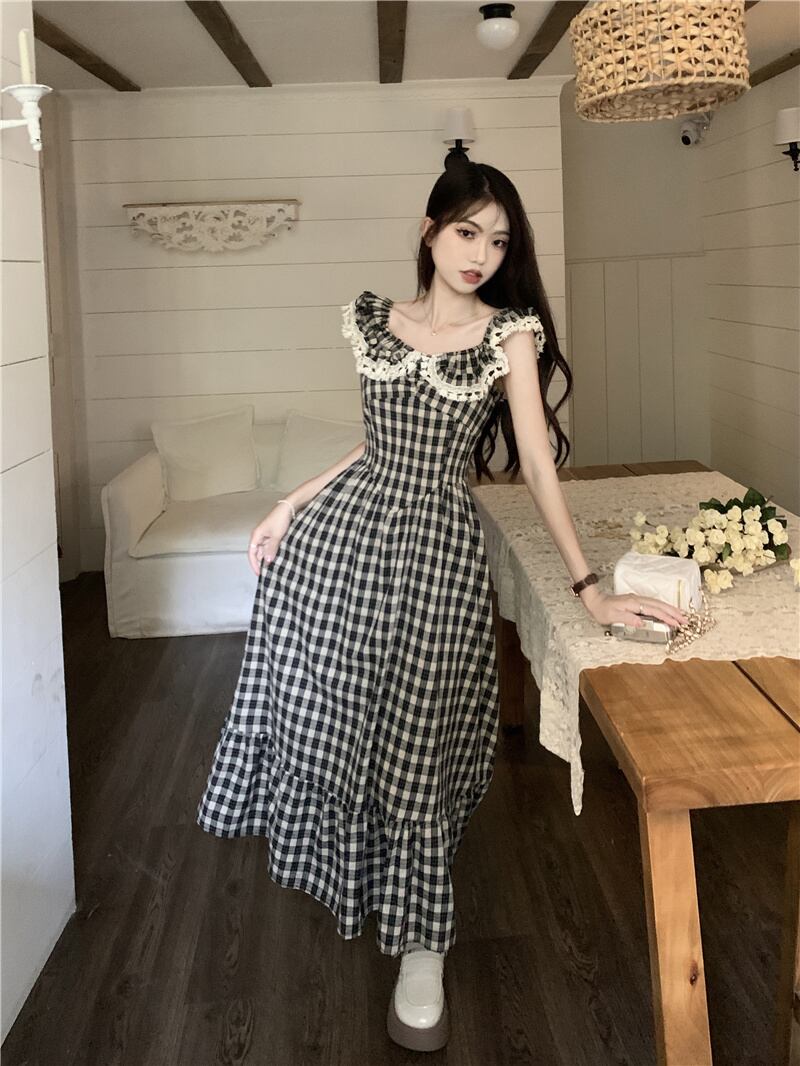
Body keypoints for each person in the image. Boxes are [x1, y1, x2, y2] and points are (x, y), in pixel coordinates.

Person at [196, 155, 687, 1053]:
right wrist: (289, 503)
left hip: (435, 552)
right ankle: (358, 877)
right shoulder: (375, 320)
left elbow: (535, 464)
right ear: (430, 232)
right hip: (343, 545)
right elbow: (375, 443)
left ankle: (422, 944)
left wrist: (591, 587)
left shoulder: (509, 335)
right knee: (340, 716)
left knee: (420, 736)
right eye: (467, 232)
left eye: (498, 241)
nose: (481, 254)